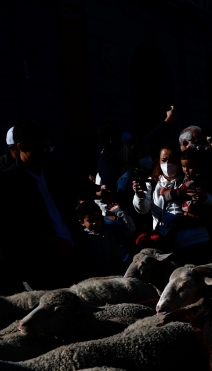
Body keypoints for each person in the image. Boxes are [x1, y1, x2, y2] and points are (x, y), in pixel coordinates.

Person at [0, 120, 87, 291]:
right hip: (43, 260)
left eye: (49, 148)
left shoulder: (56, 172)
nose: (46, 153)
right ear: (21, 146)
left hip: (75, 249)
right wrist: (57, 244)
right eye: (40, 149)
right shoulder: (9, 182)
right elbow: (20, 225)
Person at [132, 145, 212, 264]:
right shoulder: (153, 182)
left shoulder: (189, 179)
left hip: (195, 240)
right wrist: (139, 195)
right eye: (164, 160)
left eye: (172, 160)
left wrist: (205, 197)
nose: (167, 164)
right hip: (167, 245)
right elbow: (143, 210)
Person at [76, 199, 135, 276]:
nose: (95, 223)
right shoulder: (81, 237)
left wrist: (119, 211)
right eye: (90, 220)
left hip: (118, 271)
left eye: (98, 219)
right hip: (97, 276)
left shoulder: (110, 228)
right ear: (82, 222)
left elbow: (130, 229)